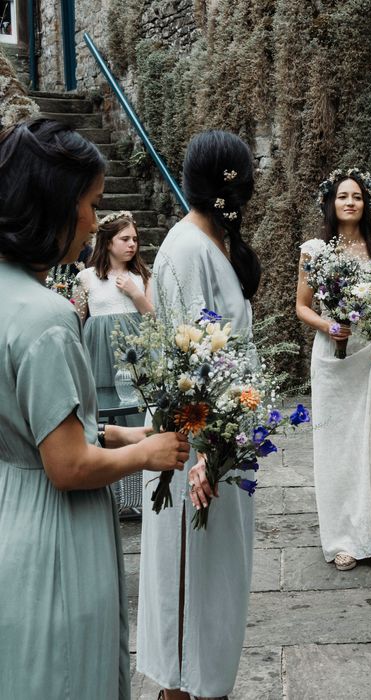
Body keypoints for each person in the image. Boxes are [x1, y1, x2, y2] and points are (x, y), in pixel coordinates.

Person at [0, 118, 188, 700]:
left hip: (9, 506)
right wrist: (152, 453)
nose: (92, 220)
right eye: (90, 203)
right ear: (56, 206)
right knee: (68, 674)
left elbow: (40, 428)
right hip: (54, 531)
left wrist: (127, 435)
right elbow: (66, 465)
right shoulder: (47, 318)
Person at [136, 130, 261, 700]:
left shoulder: (217, 244)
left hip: (225, 445)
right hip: (198, 452)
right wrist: (202, 452)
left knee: (219, 588)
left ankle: (208, 687)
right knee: (191, 594)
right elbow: (188, 360)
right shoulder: (186, 249)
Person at [296, 168, 371, 571]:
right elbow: (302, 305)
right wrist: (330, 325)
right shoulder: (315, 250)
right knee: (339, 447)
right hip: (333, 355)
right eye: (343, 196)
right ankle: (344, 535)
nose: (350, 202)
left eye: (357, 197)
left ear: (366, 204)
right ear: (331, 203)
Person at [74, 210, 153, 425]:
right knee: (103, 406)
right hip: (99, 352)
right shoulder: (86, 278)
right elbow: (77, 323)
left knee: (138, 402)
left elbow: (153, 318)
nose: (132, 245)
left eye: (135, 239)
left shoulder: (141, 276)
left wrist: (135, 293)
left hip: (137, 352)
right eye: (125, 239)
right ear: (108, 243)